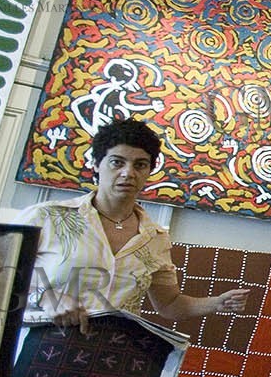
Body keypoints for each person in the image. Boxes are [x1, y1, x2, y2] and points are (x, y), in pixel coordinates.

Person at [20, 116, 253, 330]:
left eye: (140, 165)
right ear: (95, 164)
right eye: (117, 162)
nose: (128, 173)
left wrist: (215, 303)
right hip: (41, 344)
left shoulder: (155, 237)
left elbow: (170, 303)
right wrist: (45, 296)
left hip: (114, 355)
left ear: (149, 171)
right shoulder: (47, 217)